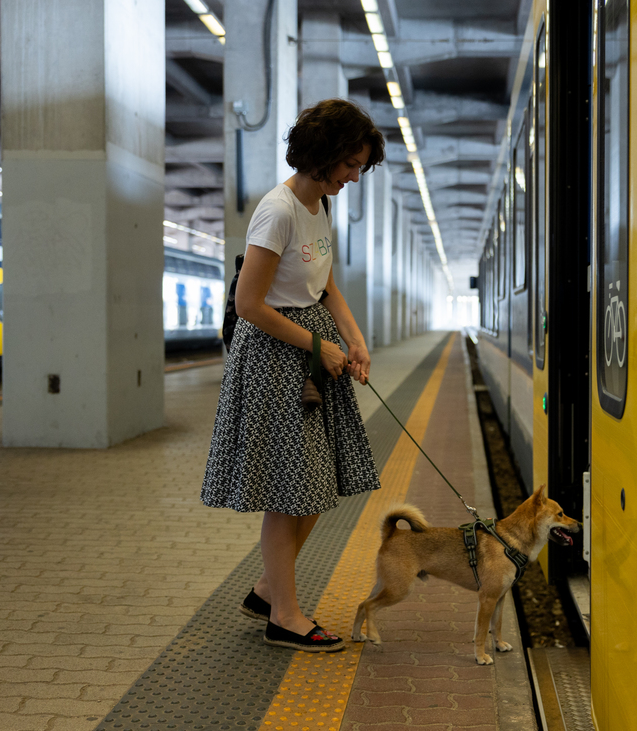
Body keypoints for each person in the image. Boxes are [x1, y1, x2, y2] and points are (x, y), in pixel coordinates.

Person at [200, 99, 385, 651]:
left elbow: (326, 286)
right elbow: (249, 303)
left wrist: (353, 338)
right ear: (324, 155)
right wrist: (319, 345)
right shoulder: (277, 211)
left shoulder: (319, 206)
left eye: (360, 166)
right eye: (351, 164)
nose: (355, 176)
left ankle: (266, 587)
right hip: (275, 359)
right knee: (292, 492)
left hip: (313, 350)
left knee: (316, 486)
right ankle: (285, 615)